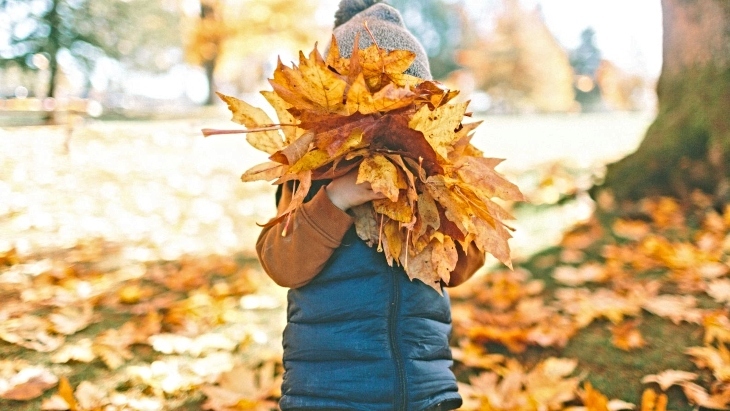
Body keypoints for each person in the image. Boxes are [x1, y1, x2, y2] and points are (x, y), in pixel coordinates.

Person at [256, 1, 485, 410]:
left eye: (403, 104)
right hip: (329, 390)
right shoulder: (311, 175)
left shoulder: (432, 178)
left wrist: (446, 206)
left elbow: (462, 269)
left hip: (422, 387)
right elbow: (281, 262)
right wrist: (336, 198)